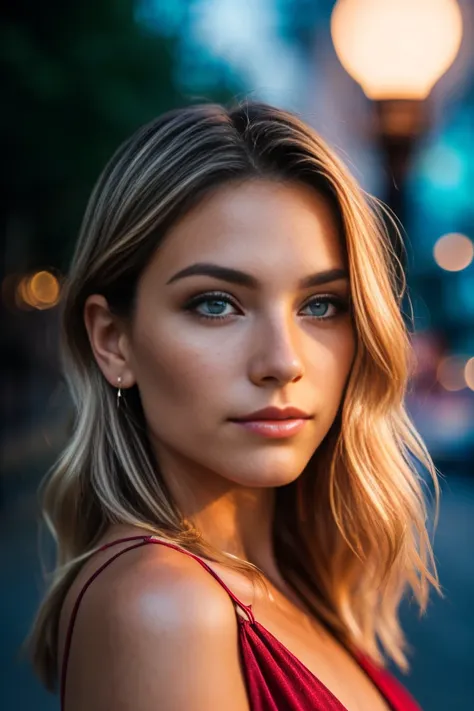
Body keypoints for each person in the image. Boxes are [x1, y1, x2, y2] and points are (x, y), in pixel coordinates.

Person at [28, 100, 439, 711]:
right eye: (216, 303)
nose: (282, 360)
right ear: (113, 341)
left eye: (321, 305)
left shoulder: (289, 585)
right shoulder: (163, 608)